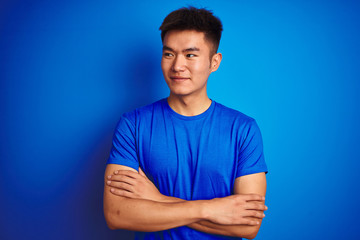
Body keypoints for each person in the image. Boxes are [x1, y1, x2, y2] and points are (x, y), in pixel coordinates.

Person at [103, 6, 268, 240]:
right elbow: (116, 214)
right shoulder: (132, 125)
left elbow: (248, 227)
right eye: (169, 54)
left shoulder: (243, 129)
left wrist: (156, 199)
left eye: (190, 55)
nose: (177, 66)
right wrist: (210, 209)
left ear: (214, 62)